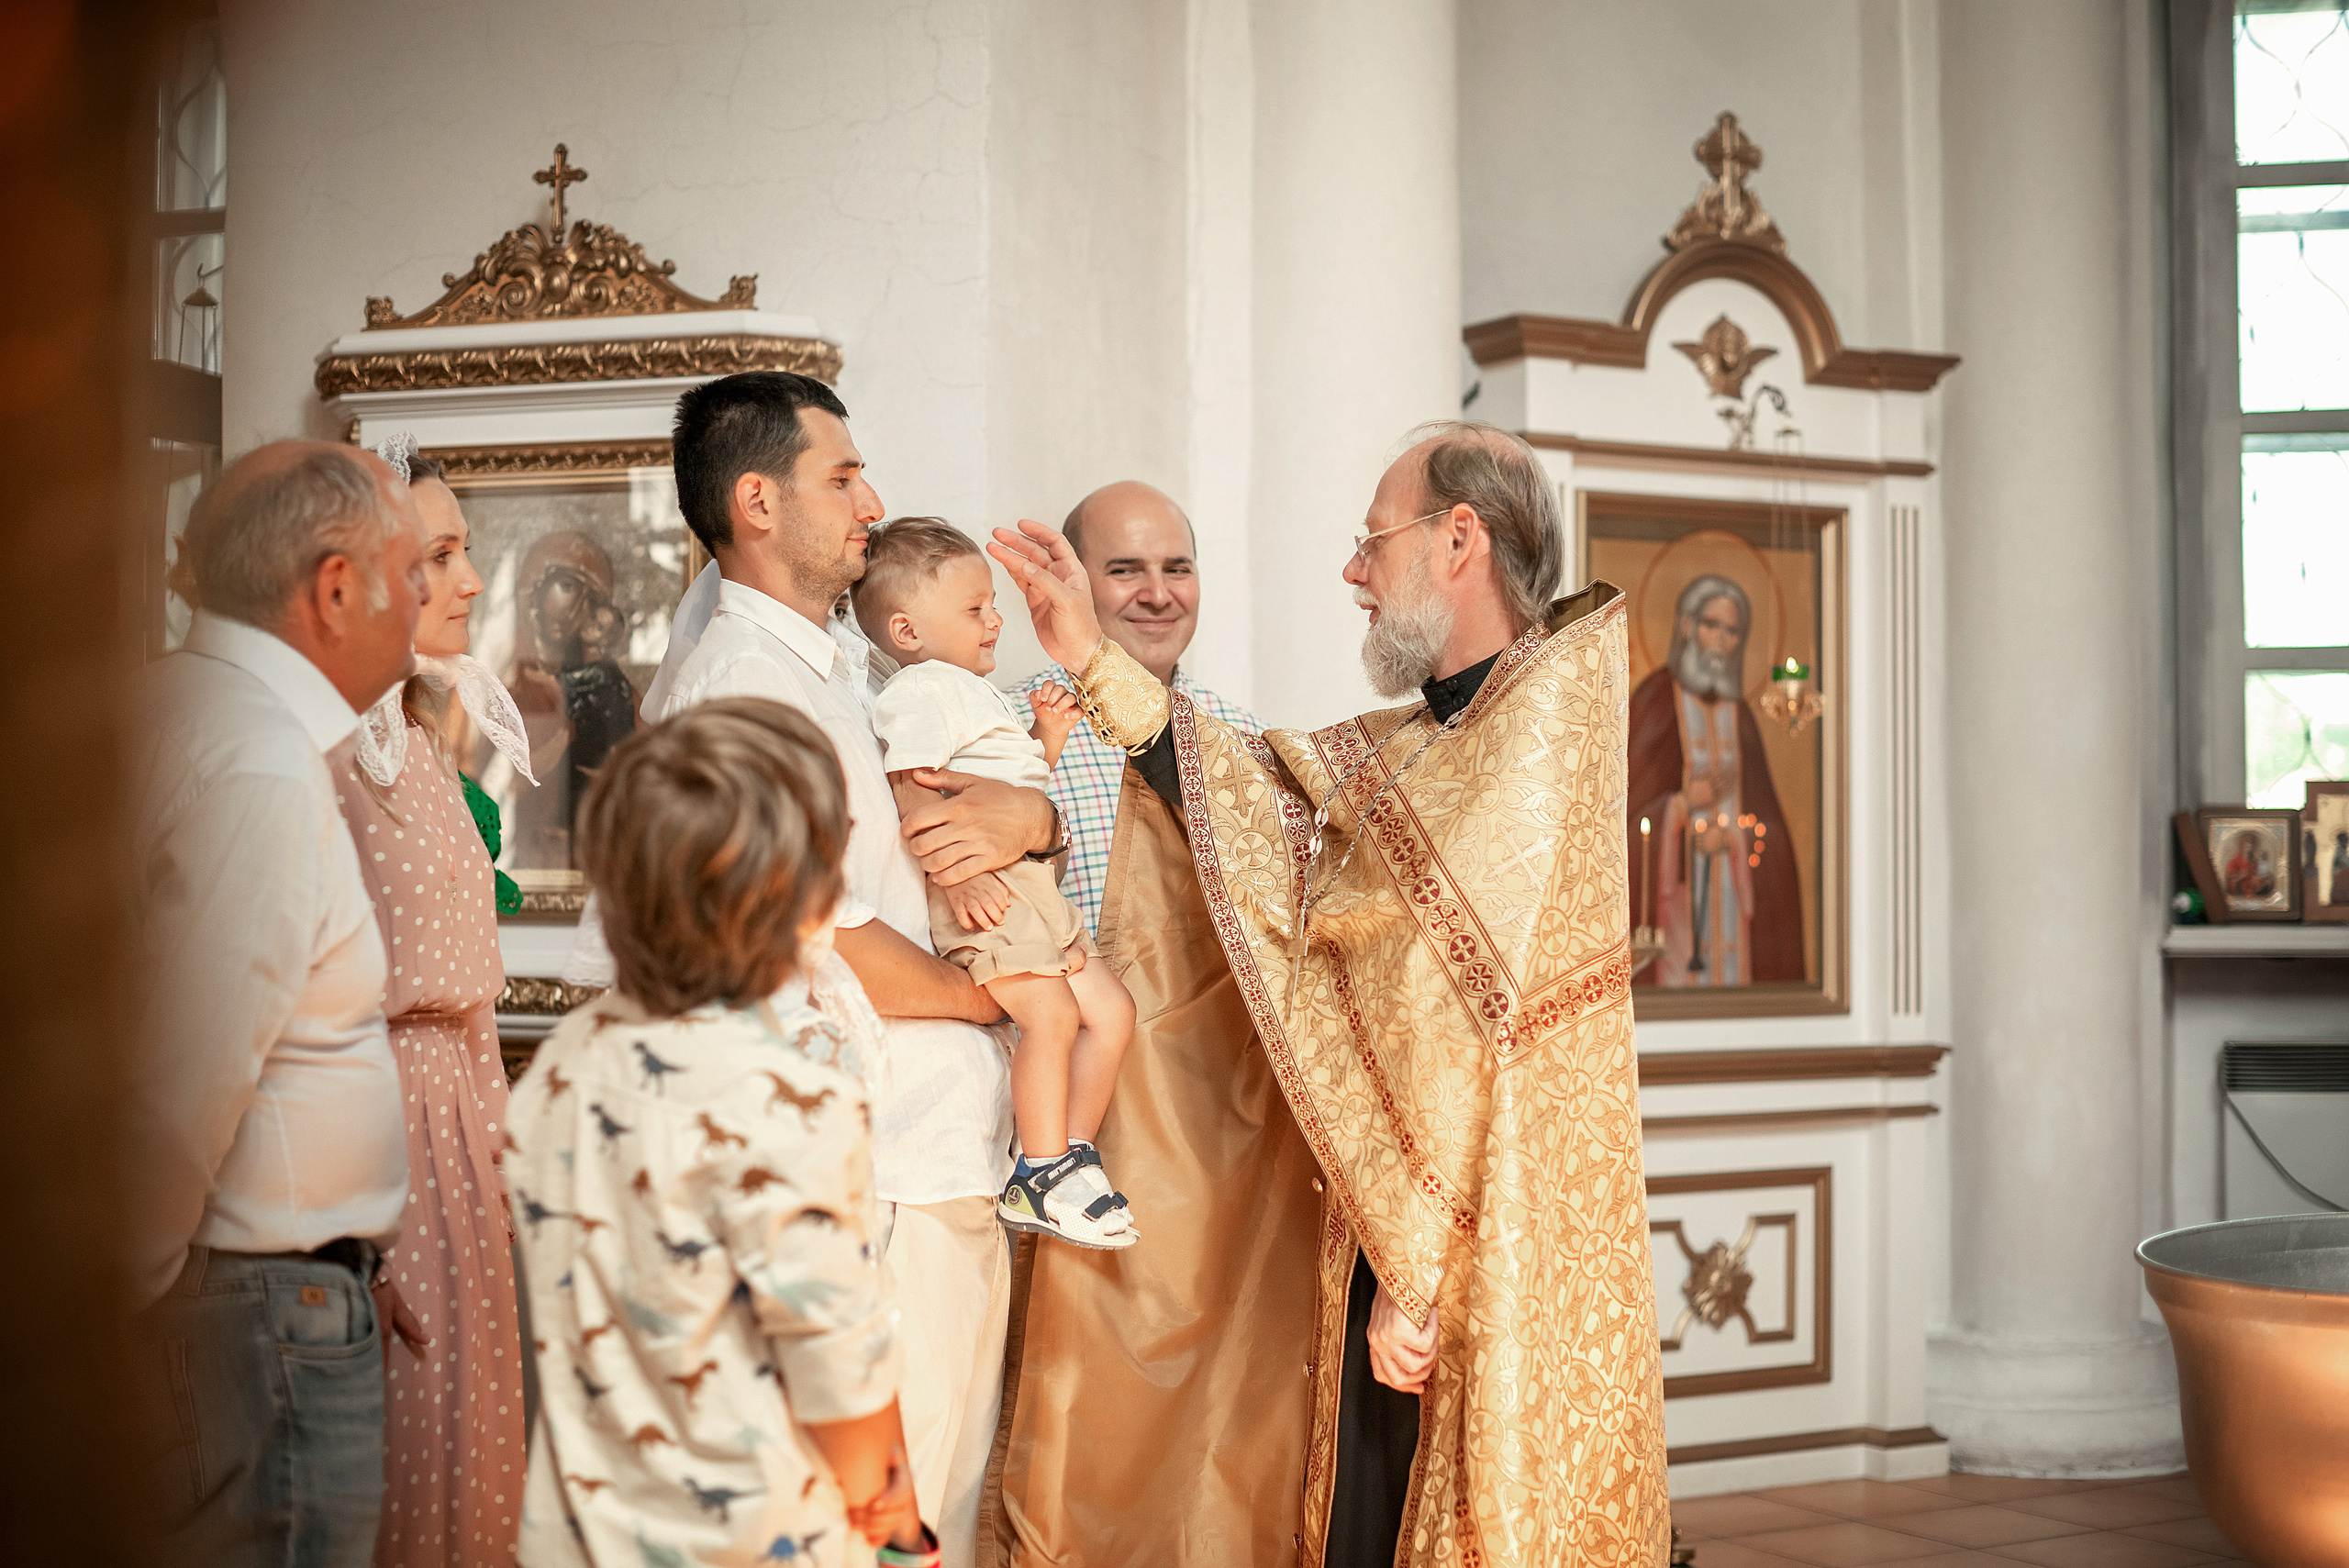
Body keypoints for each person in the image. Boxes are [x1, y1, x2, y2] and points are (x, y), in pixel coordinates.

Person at [986, 423, 1668, 1567]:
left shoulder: (1538, 734)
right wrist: (1083, 653)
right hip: (1369, 1225)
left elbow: (1473, 1026)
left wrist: (1417, 1273)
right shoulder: (1430, 736)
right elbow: (1257, 812)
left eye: (1371, 542)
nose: (1354, 573)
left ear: (1459, 537)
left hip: (1469, 1241)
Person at [562, 371, 1060, 1565]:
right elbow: (811, 927)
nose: (872, 501)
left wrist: (1023, 819)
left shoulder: (830, 665)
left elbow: (932, 824)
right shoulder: (740, 682)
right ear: (757, 502)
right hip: (861, 1175)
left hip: (921, 1157)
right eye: (841, 477)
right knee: (875, 1527)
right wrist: (1003, 996)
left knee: (926, 1499)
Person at [511, 697, 928, 1567]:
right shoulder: (792, 1100)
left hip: (581, 1530)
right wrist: (896, 1530)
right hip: (760, 1538)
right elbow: (838, 1365)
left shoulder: (566, 1062)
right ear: (800, 898)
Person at [128, 439, 429, 1565]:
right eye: (410, 569)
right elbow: (179, 1081)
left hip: (255, 1298)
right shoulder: (253, 758)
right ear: (336, 588)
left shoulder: (170, 707)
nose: (427, 599)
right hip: (247, 1316)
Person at [337, 435, 540, 1566]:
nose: (469, 582)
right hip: (371, 1136)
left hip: (457, 1136)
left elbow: (467, 999)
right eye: (443, 553)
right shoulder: (315, 750)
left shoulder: (418, 739)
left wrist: (495, 1149)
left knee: (469, 1465)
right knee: (389, 1473)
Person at [851, 517, 1139, 1249]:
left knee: (1112, 1010)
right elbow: (914, 791)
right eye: (975, 609)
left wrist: (1047, 738)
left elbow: (1011, 781)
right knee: (1050, 1016)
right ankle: (1039, 1170)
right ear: (908, 629)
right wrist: (956, 880)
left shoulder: (970, 692)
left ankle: (1067, 1152)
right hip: (993, 887)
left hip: (1034, 885)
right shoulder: (920, 690)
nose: (996, 620)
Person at [1008, 481, 1260, 933]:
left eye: (1178, 569)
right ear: (1071, 583)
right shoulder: (1000, 727)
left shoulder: (1249, 739)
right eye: (1125, 571)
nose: (1159, 595)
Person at [1626, 573, 1802, 987]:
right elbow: (1621, 822)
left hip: (1736, 919)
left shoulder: (1740, 716)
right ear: (1687, 626)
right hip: (1677, 913)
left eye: (1732, 631)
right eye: (1712, 626)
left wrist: (1738, 840)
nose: (1722, 641)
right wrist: (1682, 807)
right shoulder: (1655, 702)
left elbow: (1772, 831)